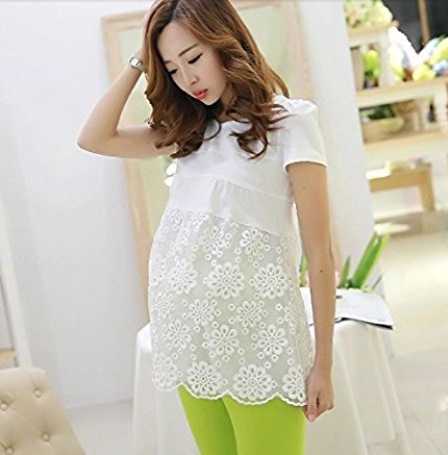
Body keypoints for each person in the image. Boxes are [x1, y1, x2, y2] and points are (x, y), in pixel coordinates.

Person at [77, 0, 336, 453]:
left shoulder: (291, 122)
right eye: (172, 69)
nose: (187, 79)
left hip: (258, 340)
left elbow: (320, 255)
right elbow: (94, 137)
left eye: (193, 58)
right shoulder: (188, 131)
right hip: (190, 336)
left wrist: (323, 366)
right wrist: (139, 61)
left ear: (225, 43)